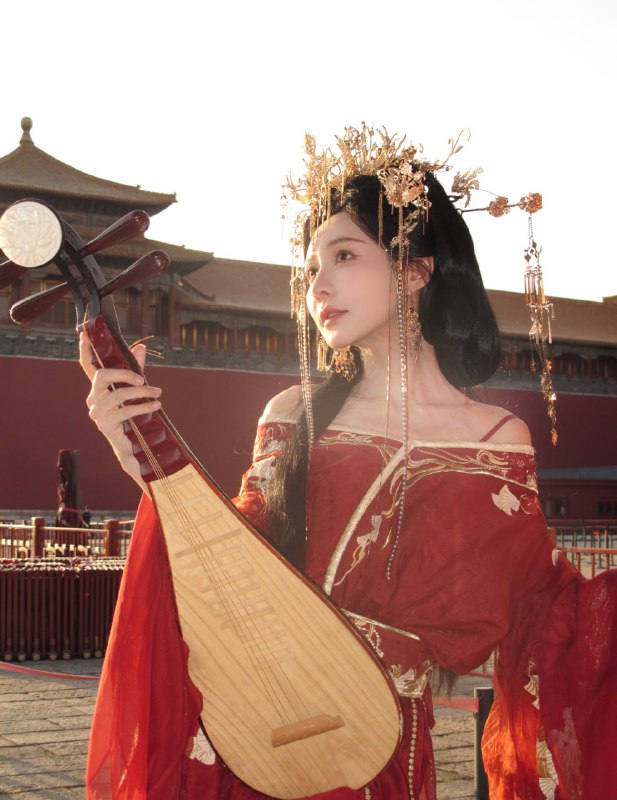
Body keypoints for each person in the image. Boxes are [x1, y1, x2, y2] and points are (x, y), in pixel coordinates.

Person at [80, 126, 616, 800]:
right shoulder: (292, 416)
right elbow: (230, 561)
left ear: (416, 271)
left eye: (343, 256)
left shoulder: (496, 442)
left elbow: (551, 617)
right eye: (310, 269)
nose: (318, 286)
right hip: (255, 742)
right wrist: (141, 465)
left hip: (380, 755)